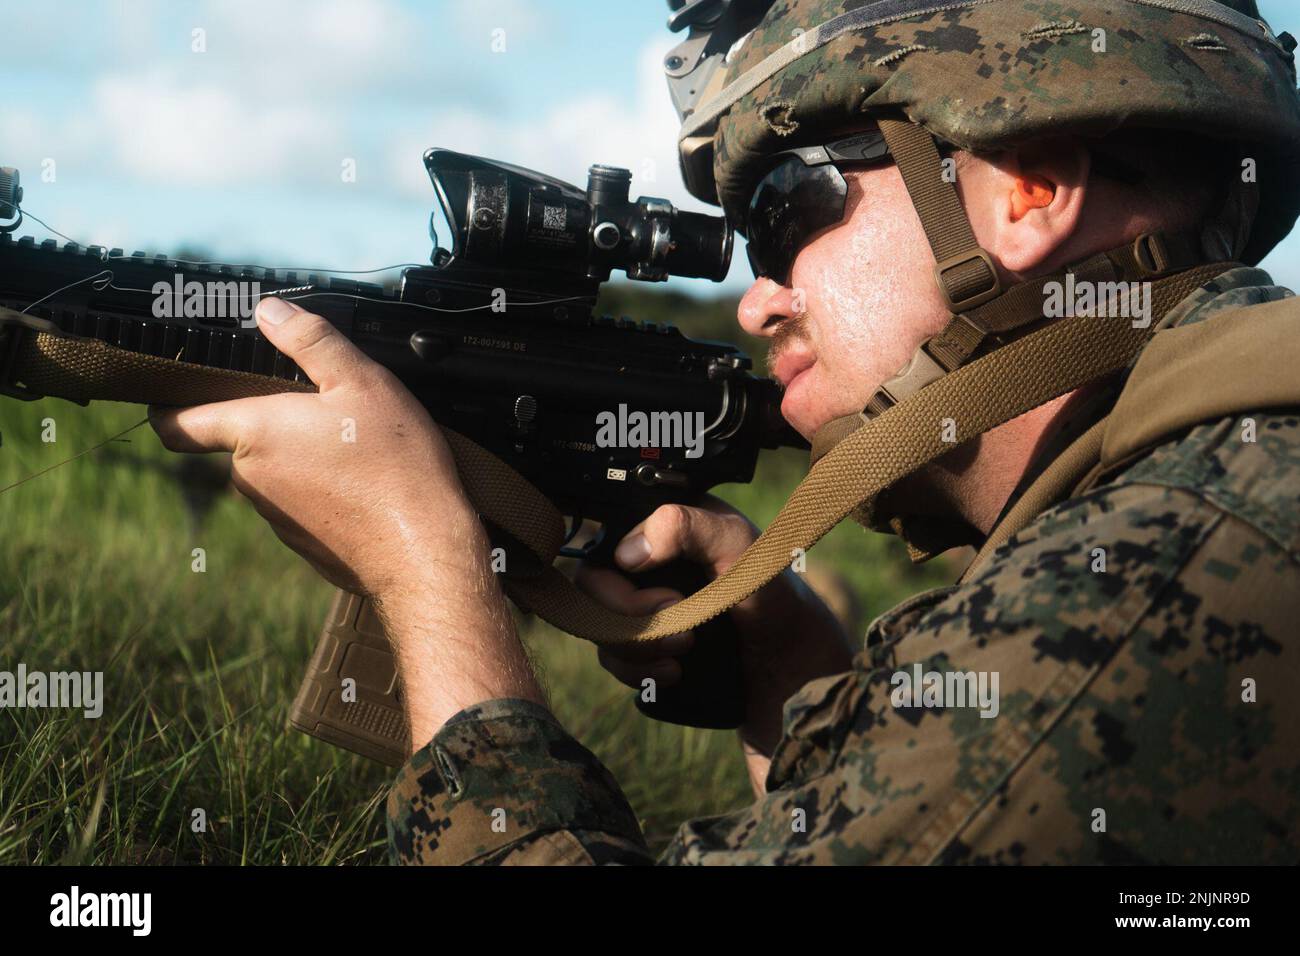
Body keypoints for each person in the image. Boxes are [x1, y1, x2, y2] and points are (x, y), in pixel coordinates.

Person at [151, 0, 1300, 864]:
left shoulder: (1162, 573)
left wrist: (424, 567)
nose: (757, 299)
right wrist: (788, 667)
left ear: (1029, 189)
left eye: (782, 212)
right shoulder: (1202, 486)